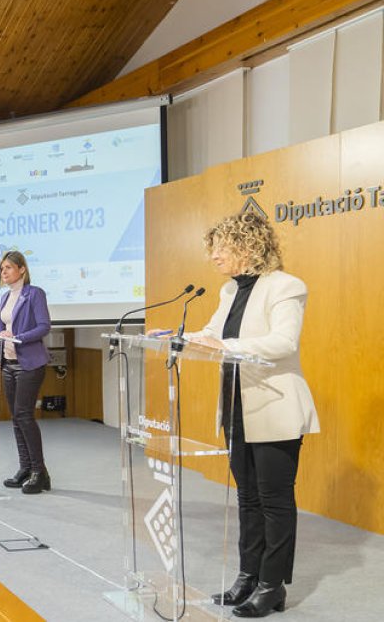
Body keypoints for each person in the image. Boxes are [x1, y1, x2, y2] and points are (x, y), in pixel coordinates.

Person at [180, 213, 320, 618]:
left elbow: (283, 341)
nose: (214, 257)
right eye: (213, 249)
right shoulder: (229, 290)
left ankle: (271, 586)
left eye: (221, 248)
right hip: (237, 406)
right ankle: (247, 576)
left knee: (274, 500)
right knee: (247, 497)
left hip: (274, 403)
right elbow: (212, 333)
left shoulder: (286, 286)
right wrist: (177, 337)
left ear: (248, 247)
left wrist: (226, 346)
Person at [0, 250, 52, 495]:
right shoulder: (6, 298)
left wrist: (18, 338)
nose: (3, 272)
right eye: (1, 269)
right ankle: (25, 468)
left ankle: (40, 472)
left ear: (22, 269)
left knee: (25, 415)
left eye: (7, 267)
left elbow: (44, 327)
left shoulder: (34, 294)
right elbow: (2, 328)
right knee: (16, 418)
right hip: (8, 363)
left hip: (29, 363)